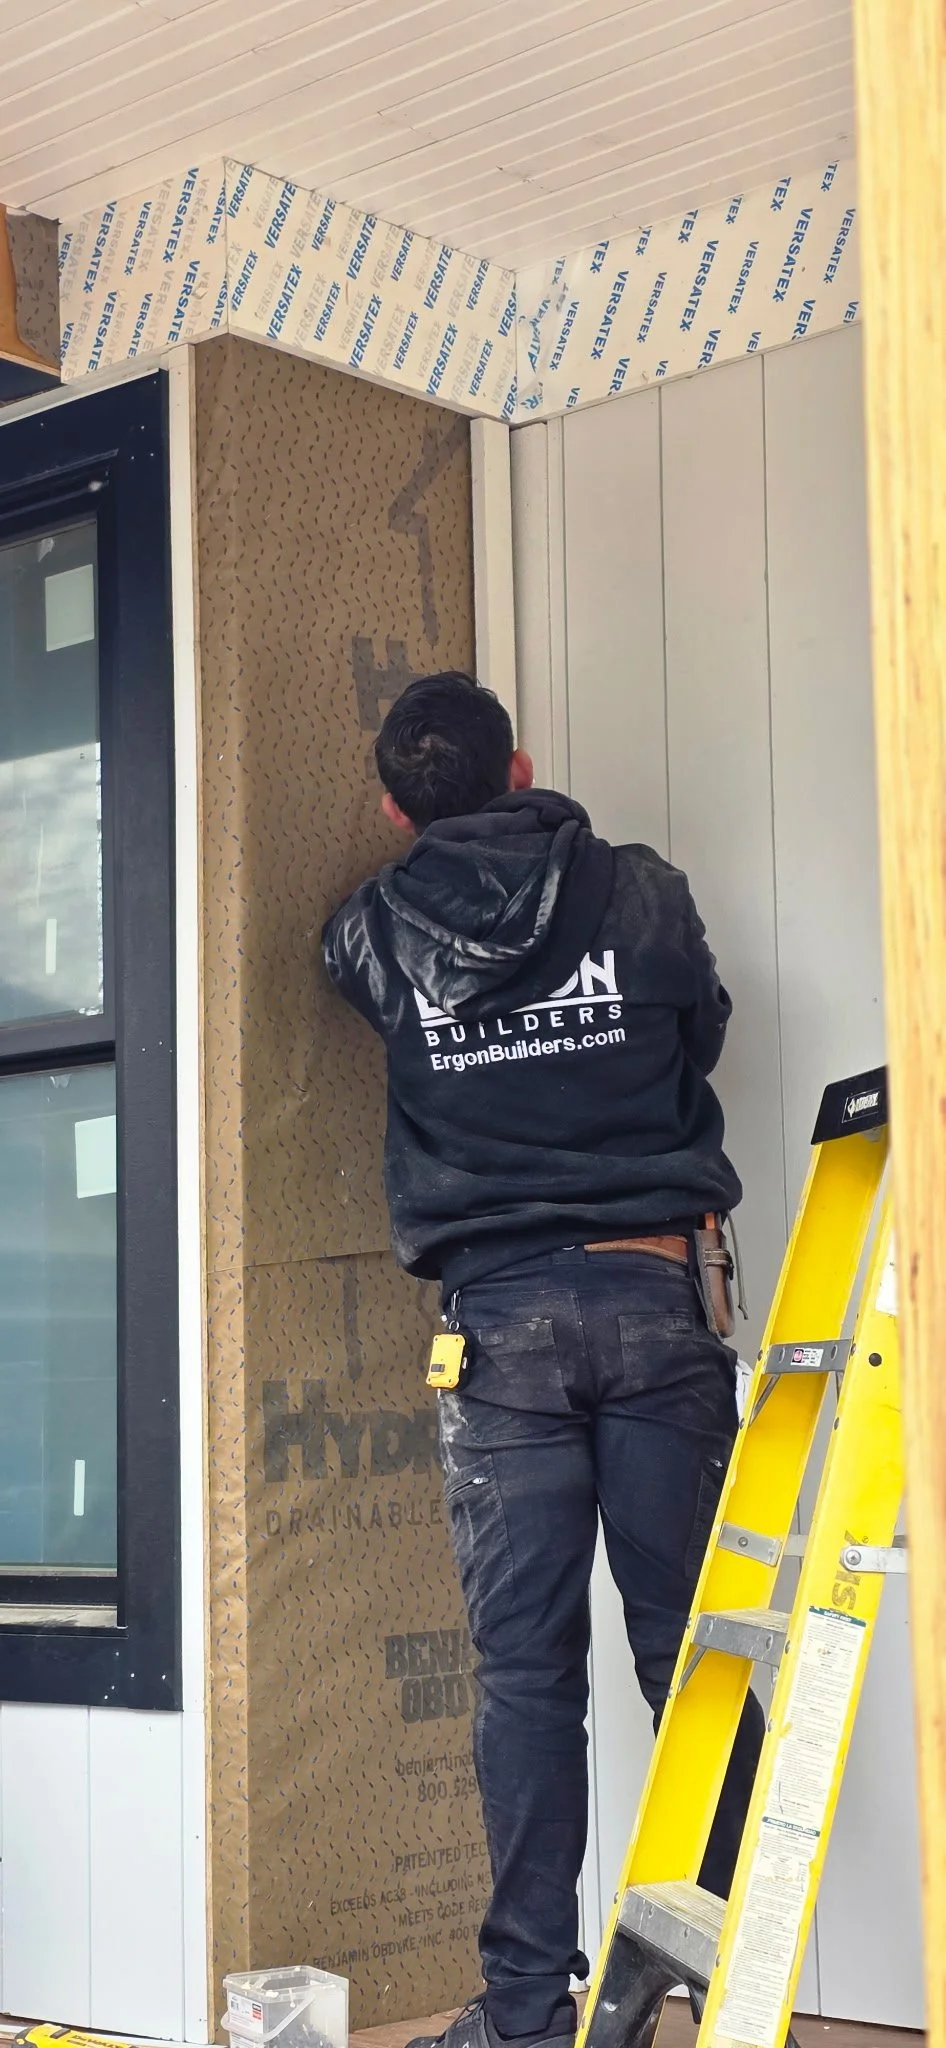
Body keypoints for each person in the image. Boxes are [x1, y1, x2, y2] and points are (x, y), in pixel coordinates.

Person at [322, 673, 763, 2048]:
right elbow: (701, 1031)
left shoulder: (368, 929)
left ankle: (525, 2013)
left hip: (495, 1328)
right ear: (520, 766)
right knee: (689, 1657)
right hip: (650, 1294)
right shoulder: (638, 891)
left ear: (395, 805)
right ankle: (725, 1990)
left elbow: (381, 1005)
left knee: (523, 1677)